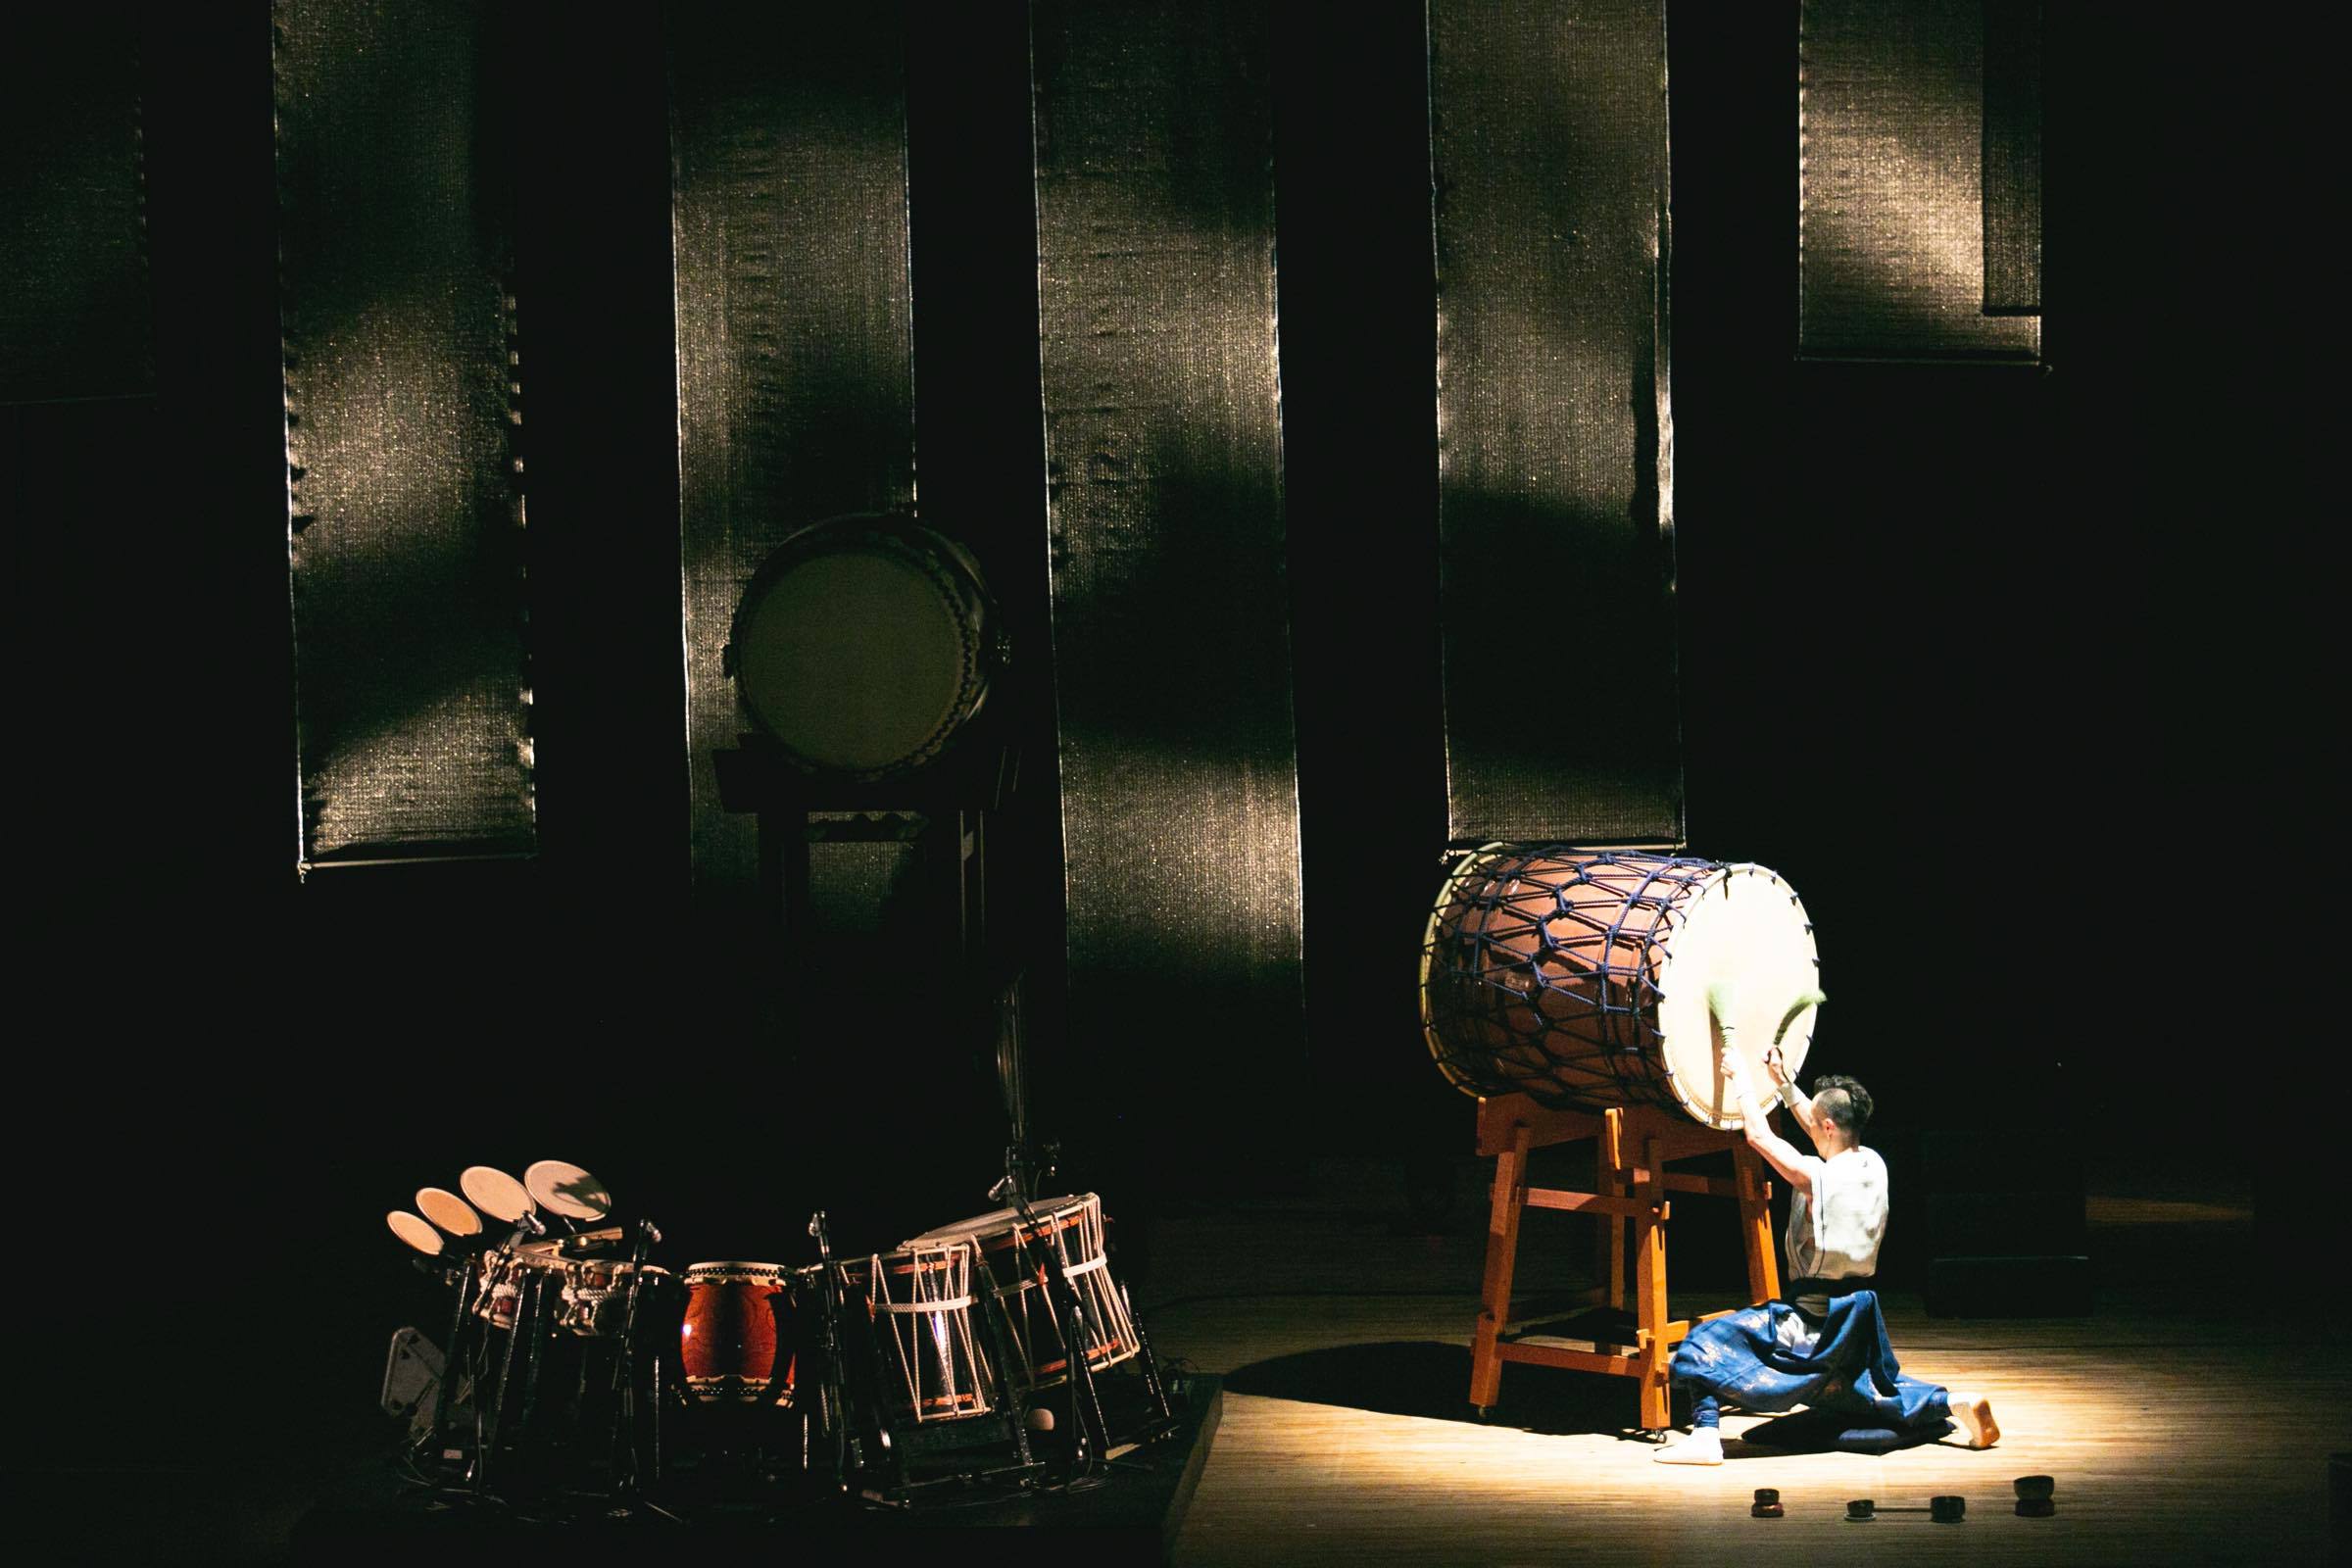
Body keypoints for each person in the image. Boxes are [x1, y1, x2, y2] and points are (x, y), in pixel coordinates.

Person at [1651, 993, 1998, 1464]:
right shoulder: (1872, 1163)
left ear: (1829, 1126)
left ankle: (1706, 1437)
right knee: (1865, 1388)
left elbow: (1758, 1136)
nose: (1810, 1127)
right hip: (1855, 1318)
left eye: (1816, 1123)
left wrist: (1741, 1081)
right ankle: (1954, 1402)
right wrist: (1784, 1083)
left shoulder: (1815, 1176)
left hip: (1811, 1323)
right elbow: (1814, 1124)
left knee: (1705, 1343)